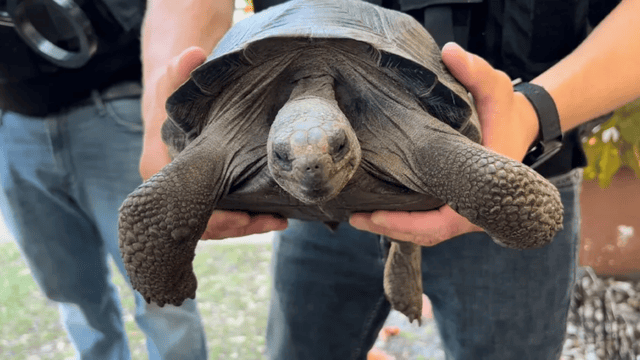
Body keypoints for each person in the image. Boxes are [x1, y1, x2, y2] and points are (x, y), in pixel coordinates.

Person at [138, 0, 640, 359]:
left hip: (501, 164)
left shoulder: (430, 148)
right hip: (311, 223)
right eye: (287, 157)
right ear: (269, 143)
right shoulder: (257, 127)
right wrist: (156, 137)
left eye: (334, 147)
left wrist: (536, 112)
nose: (312, 164)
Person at [0, 1, 282, 358]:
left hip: (117, 105)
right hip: (14, 118)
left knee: (162, 297)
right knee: (71, 294)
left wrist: (160, 118)